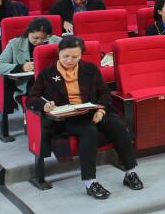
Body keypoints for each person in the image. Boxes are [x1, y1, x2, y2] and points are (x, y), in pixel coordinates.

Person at [28, 36, 141, 199]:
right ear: (59, 52)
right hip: (68, 117)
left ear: (81, 55)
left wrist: (100, 111)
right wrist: (44, 105)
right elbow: (32, 98)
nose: (69, 60)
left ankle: (130, 172)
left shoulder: (90, 69)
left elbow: (104, 93)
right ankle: (90, 182)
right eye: (66, 56)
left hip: (92, 110)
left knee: (116, 124)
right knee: (89, 131)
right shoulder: (47, 74)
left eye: (75, 57)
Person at [0, 17, 60, 97]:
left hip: (54, 78)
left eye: (44, 39)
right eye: (35, 38)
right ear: (28, 32)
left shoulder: (57, 41)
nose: (39, 41)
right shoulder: (15, 44)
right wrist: (22, 67)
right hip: (30, 82)